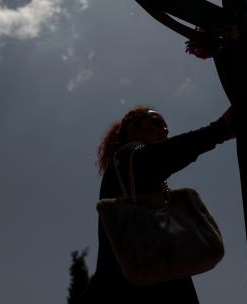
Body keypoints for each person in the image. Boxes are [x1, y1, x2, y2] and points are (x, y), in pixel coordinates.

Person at [80, 105, 235, 304]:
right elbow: (155, 159)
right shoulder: (129, 153)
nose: (164, 131)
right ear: (132, 129)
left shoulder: (134, 173)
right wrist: (221, 129)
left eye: (166, 129)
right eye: (155, 123)